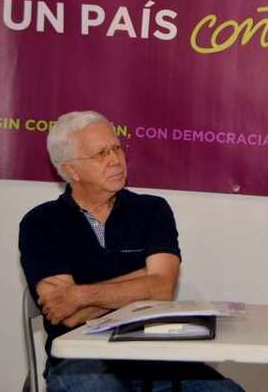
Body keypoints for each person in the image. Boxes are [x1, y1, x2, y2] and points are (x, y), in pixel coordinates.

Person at [19, 110, 243, 392]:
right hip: (80, 356)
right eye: (100, 154)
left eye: (116, 148)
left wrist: (80, 295)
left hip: (149, 352)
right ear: (71, 170)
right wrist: (141, 283)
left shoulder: (152, 210)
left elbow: (162, 288)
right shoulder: (40, 222)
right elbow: (64, 314)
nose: (115, 160)